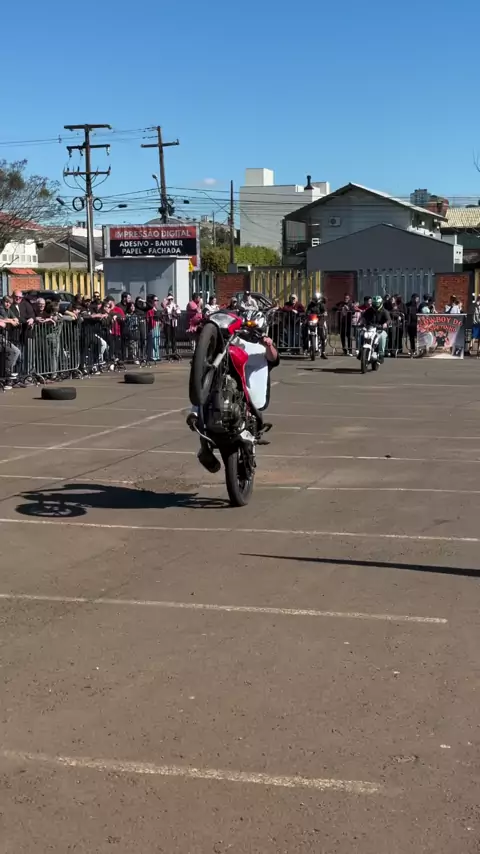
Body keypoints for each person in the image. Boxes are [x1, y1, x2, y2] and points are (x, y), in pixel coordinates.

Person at [187, 326, 279, 473]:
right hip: (223, 382)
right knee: (205, 373)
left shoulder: (257, 349)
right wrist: (199, 331)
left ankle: (248, 432)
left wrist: (268, 345)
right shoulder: (222, 343)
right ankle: (198, 422)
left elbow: (273, 358)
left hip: (247, 394)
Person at [361, 295, 390, 363]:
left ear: (380, 303)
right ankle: (360, 350)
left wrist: (386, 324)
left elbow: (388, 319)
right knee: (361, 334)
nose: (376, 305)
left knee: (383, 336)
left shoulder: (384, 311)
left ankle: (381, 354)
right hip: (369, 328)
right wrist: (362, 322)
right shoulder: (369, 310)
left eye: (377, 303)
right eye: (374, 303)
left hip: (380, 329)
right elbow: (363, 317)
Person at [304, 291, 328, 359]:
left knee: (322, 336)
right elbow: (307, 311)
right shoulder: (310, 304)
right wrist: (307, 314)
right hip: (312, 321)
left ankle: (323, 352)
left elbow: (324, 311)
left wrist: (324, 313)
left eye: (317, 299)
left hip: (319, 320)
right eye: (315, 299)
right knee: (305, 330)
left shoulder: (321, 304)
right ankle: (305, 347)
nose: (316, 300)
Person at [161, 293, 181, 360]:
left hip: (174, 323)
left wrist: (175, 313)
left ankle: (174, 353)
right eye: (169, 299)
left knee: (173, 339)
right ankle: (167, 354)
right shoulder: (166, 306)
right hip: (167, 323)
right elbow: (162, 314)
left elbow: (179, 314)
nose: (170, 300)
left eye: (171, 299)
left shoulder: (175, 305)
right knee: (168, 339)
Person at [146, 294, 162, 361]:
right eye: (155, 300)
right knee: (153, 341)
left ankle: (157, 355)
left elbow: (160, 319)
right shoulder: (150, 311)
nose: (156, 302)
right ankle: (153, 356)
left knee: (157, 341)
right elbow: (148, 320)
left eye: (157, 300)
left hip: (157, 326)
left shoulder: (157, 311)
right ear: (152, 301)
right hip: (153, 327)